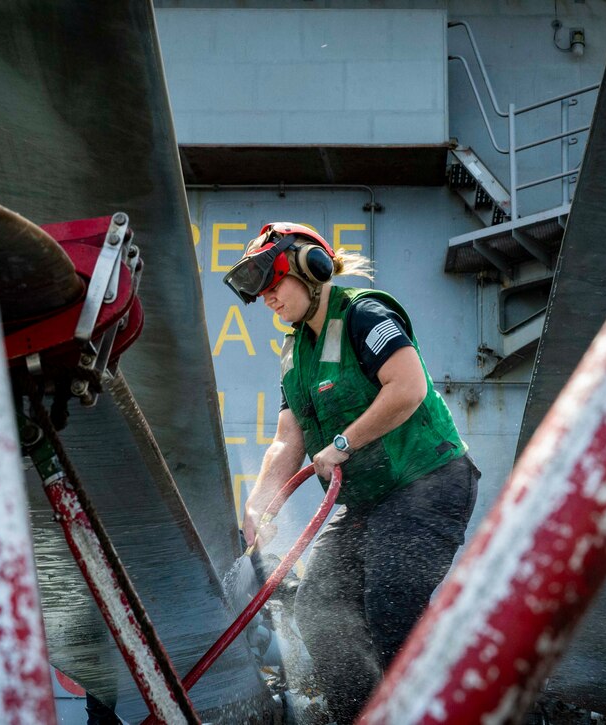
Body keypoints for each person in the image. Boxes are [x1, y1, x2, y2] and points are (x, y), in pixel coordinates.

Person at [224, 222, 480, 722]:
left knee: (390, 607)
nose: (270, 300)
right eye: (264, 294)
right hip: (368, 503)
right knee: (319, 612)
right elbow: (288, 438)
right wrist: (261, 504)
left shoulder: (364, 314)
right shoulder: (293, 352)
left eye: (276, 285)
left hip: (427, 483)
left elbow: (406, 388)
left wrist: (345, 442)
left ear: (311, 269)